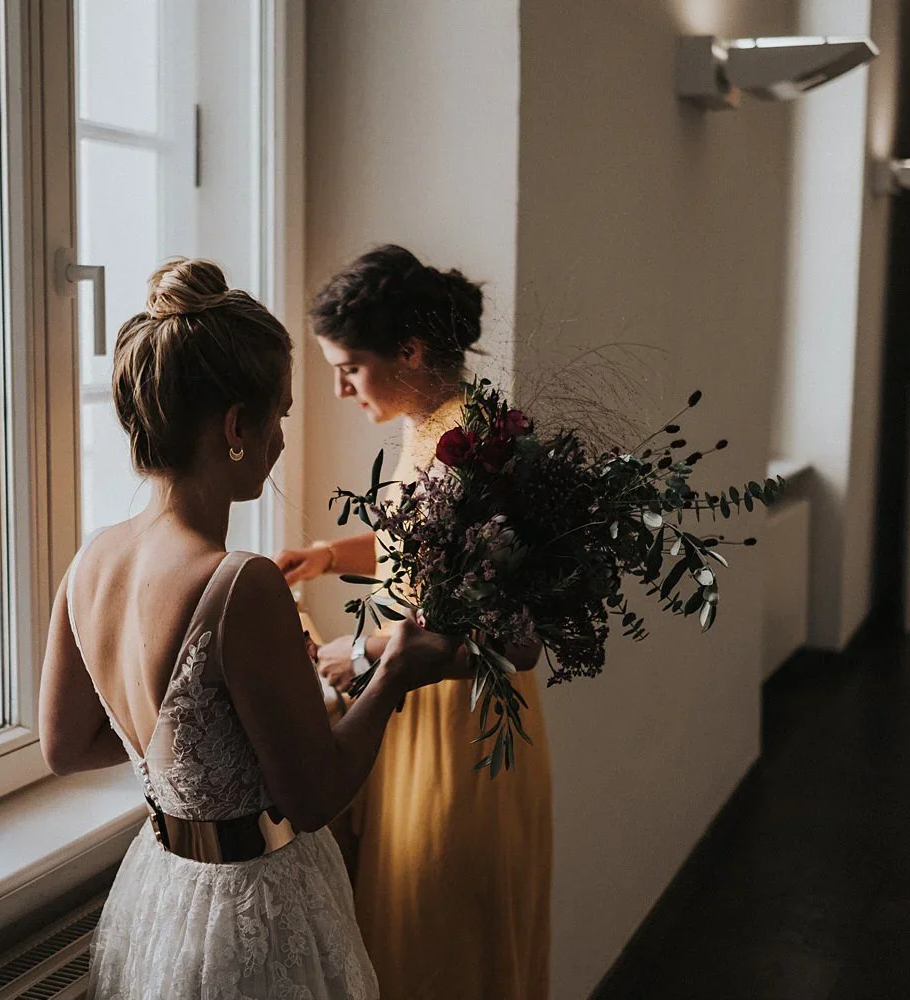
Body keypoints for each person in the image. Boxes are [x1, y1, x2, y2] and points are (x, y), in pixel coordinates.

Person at [40, 258, 463, 999]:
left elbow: (67, 746)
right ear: (237, 425)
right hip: (253, 908)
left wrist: (198, 751)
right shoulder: (238, 583)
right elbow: (316, 795)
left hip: (163, 892)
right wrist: (394, 671)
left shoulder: (92, 561)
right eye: (282, 415)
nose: (283, 441)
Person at [277, 245, 555, 999]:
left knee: (444, 945)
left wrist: (363, 652)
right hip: (410, 715)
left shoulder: (478, 448)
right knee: (402, 934)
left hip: (464, 737)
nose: (338, 389)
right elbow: (428, 554)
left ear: (410, 350)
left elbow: (514, 638)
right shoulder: (428, 426)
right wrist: (329, 555)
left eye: (349, 367)